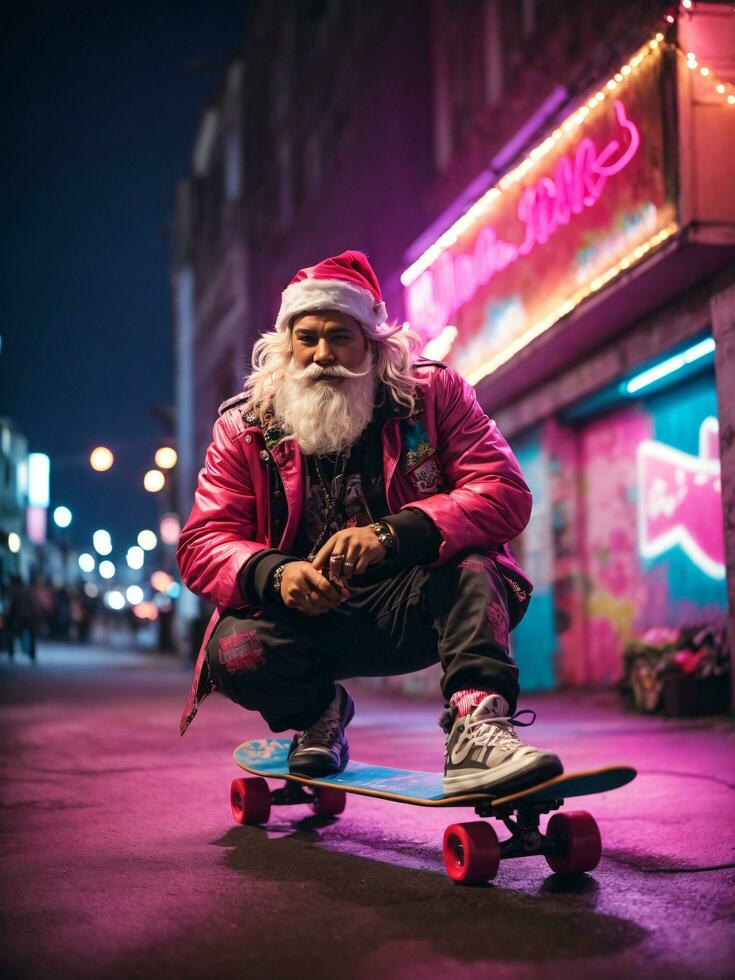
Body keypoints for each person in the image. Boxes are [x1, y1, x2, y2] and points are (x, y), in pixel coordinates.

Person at [177, 250, 562, 796]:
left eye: (341, 337)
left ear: (373, 345)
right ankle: (320, 714)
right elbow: (202, 542)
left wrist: (394, 534)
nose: (322, 355)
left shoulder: (433, 396)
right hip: (307, 619)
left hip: (414, 605)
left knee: (475, 564)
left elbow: (504, 492)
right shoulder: (244, 428)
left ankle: (478, 727)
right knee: (234, 649)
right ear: (287, 347)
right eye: (306, 338)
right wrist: (275, 574)